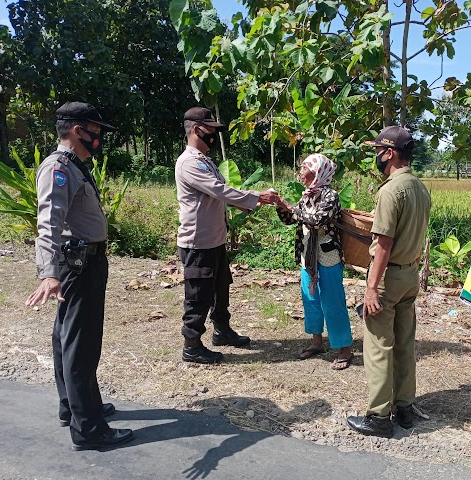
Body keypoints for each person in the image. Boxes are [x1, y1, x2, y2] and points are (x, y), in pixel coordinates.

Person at [25, 102, 133, 450]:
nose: (99, 138)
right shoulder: (58, 168)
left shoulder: (72, 167)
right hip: (78, 266)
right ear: (77, 130)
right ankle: (89, 430)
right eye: (96, 131)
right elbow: (48, 224)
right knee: (81, 344)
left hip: (83, 263)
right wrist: (49, 273)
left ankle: (75, 407)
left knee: (67, 338)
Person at [175, 107, 279, 364]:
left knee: (221, 288)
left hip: (214, 239)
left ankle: (222, 331)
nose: (214, 135)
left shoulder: (204, 160)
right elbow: (220, 190)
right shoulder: (190, 163)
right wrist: (257, 198)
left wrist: (251, 202)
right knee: (199, 295)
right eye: (211, 130)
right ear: (198, 129)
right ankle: (192, 345)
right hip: (198, 243)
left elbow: (223, 193)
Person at [347, 126, 431, 438]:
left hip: (388, 277)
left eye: (378, 151)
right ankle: (405, 408)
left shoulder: (390, 191)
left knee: (379, 346)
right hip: (410, 274)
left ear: (390, 153)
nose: (376, 157)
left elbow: (382, 244)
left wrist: (371, 287)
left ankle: (379, 418)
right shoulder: (420, 188)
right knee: (405, 343)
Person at [275, 153, 353, 370]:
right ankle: (316, 342)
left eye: (304, 168)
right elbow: (291, 219)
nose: (300, 172)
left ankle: (344, 348)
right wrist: (280, 205)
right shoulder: (307, 196)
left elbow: (317, 220)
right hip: (307, 257)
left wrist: (290, 206)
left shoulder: (330, 196)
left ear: (317, 171)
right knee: (311, 300)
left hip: (328, 256)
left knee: (333, 302)